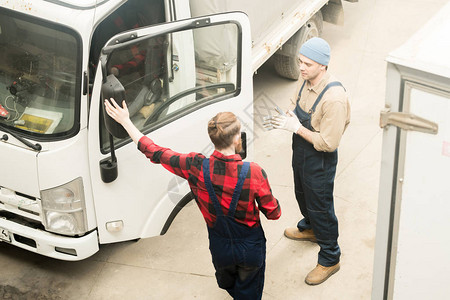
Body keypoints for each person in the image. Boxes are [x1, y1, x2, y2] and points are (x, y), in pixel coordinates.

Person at [104, 98, 281, 299]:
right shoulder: (253, 172)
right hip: (250, 247)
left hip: (220, 247)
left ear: (213, 138)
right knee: (249, 291)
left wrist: (126, 121)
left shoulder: (194, 166)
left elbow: (154, 151)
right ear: (236, 140)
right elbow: (274, 213)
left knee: (228, 283)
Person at [265, 37, 350, 285]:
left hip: (319, 160)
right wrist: (286, 117)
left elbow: (328, 143)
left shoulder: (333, 98)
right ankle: (311, 228)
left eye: (308, 64)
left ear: (323, 66)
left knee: (321, 206)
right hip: (301, 151)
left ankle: (330, 257)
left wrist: (297, 129)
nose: (302, 68)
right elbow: (294, 104)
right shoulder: (305, 82)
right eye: (300, 61)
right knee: (302, 194)